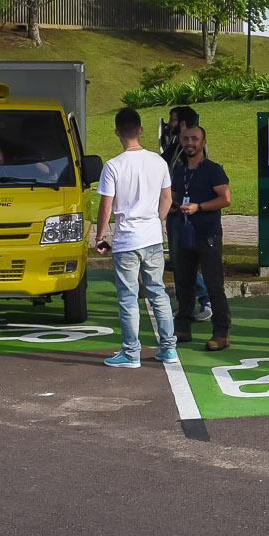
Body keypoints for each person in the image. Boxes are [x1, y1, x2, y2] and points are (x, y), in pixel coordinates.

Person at [95, 106, 177, 368]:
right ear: (140, 129)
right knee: (158, 292)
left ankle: (131, 352)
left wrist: (100, 235)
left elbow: (106, 206)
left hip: (127, 239)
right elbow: (167, 199)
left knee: (128, 296)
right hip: (152, 236)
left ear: (117, 132)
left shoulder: (113, 166)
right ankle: (168, 348)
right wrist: (157, 220)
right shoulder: (158, 161)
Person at [170, 123, 232, 352]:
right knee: (183, 282)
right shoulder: (179, 169)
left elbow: (225, 199)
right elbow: (175, 194)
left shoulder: (213, 169)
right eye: (186, 139)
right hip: (183, 233)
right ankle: (183, 328)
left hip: (208, 234)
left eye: (194, 139)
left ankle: (221, 332)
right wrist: (172, 204)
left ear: (203, 143)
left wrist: (200, 207)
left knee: (214, 285)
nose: (190, 143)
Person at [163, 105, 212, 324]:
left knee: (185, 260)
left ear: (182, 123)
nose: (170, 125)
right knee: (180, 261)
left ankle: (205, 301)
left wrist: (173, 202)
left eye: (173, 121)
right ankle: (188, 305)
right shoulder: (176, 149)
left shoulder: (184, 152)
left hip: (184, 213)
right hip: (177, 211)